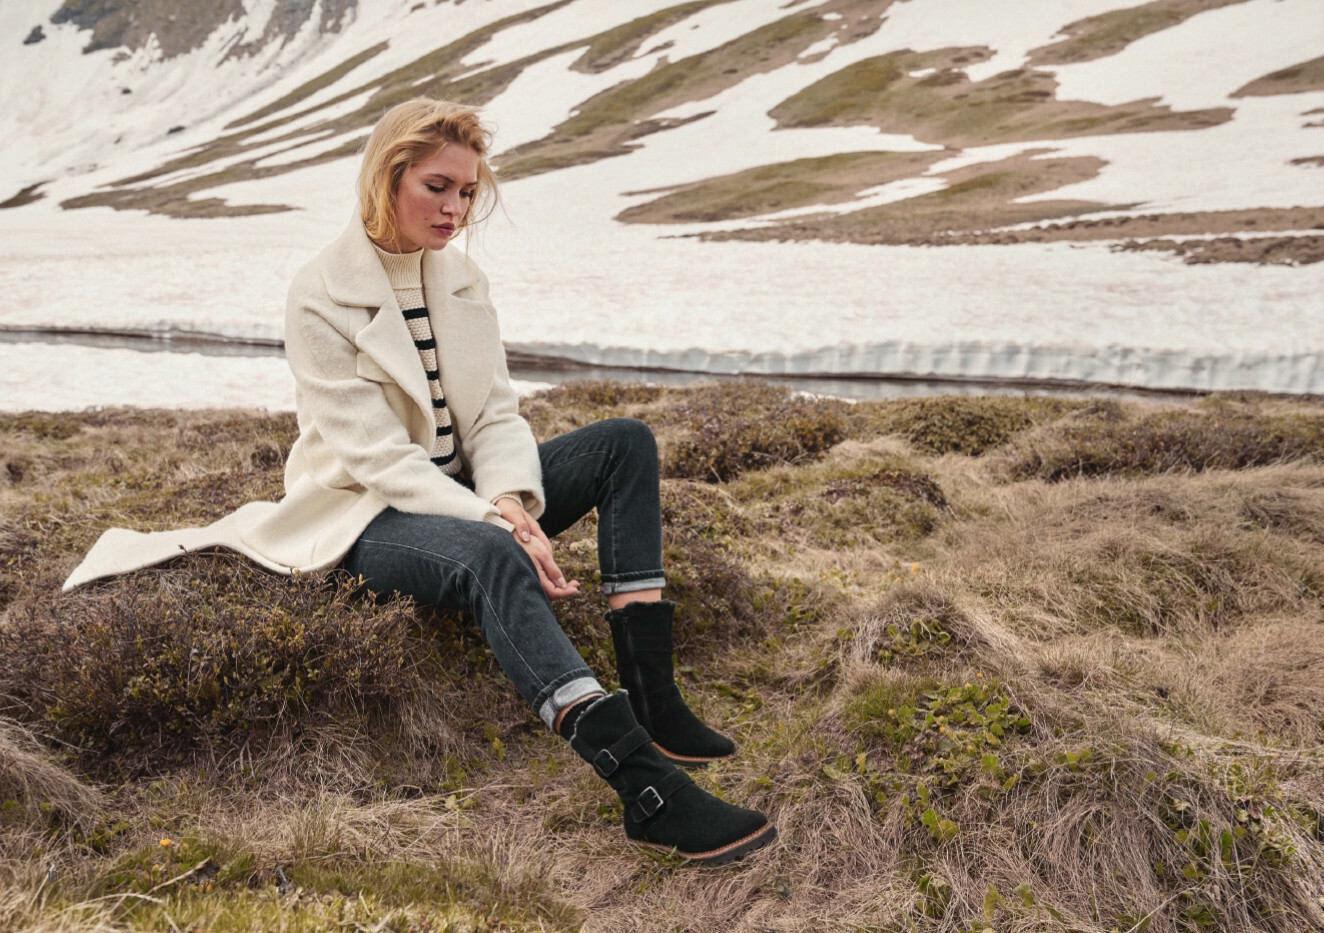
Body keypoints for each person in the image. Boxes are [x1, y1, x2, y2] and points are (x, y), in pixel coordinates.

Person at [62, 98, 775, 865]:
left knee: (623, 443)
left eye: (466, 191)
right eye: (437, 187)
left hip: (463, 487)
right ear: (388, 177)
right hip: (365, 515)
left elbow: (495, 413)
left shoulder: (461, 277)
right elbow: (378, 459)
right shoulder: (318, 293)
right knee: (492, 555)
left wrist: (508, 497)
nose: (454, 209)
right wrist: (496, 524)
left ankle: (655, 701)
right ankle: (646, 788)